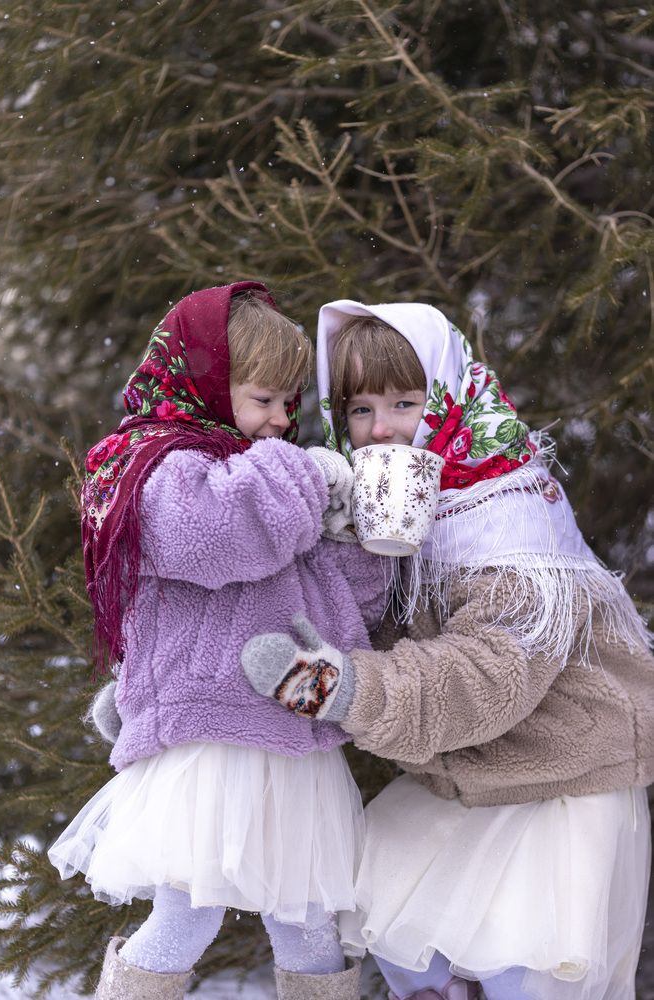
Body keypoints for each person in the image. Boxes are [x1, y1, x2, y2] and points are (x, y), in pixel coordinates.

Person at [241, 299, 654, 1000]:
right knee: (394, 924)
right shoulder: (394, 515)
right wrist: (177, 693)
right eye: (360, 409)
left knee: (526, 973)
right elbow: (321, 619)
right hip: (471, 776)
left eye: (405, 403)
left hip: (562, 781)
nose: (381, 429)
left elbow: (488, 675)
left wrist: (340, 689)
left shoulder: (513, 524)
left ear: (451, 400)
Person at [48, 283, 386, 1000]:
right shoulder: (157, 467)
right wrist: (307, 474)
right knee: (186, 915)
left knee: (308, 923)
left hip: (289, 737)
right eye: (264, 399)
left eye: (290, 402)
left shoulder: (262, 475)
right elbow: (217, 537)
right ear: (207, 382)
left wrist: (356, 536)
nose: (281, 420)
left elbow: (337, 602)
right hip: (210, 739)